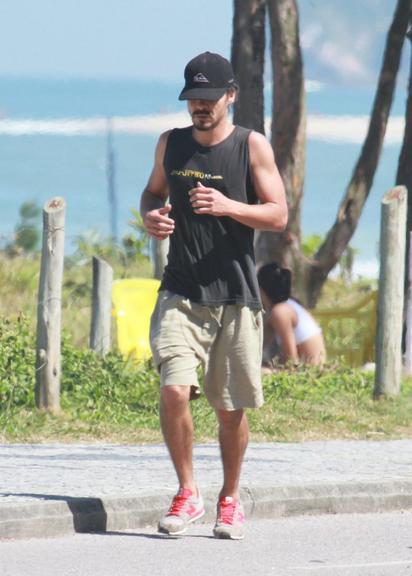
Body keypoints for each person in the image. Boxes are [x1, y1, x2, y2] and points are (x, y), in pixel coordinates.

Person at [140, 51, 287, 540]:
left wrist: (228, 205)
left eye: (208, 98)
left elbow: (278, 214)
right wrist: (151, 216)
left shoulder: (251, 147)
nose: (199, 107)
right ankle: (188, 492)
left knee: (229, 411)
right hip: (180, 292)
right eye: (193, 99)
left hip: (236, 297)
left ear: (230, 95)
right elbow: (151, 193)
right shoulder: (171, 145)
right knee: (174, 388)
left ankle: (229, 497)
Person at [257, 262, 326, 367]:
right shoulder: (288, 305)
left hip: (309, 373)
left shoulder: (280, 312)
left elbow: (291, 361)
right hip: (309, 370)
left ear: (261, 289)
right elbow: (259, 345)